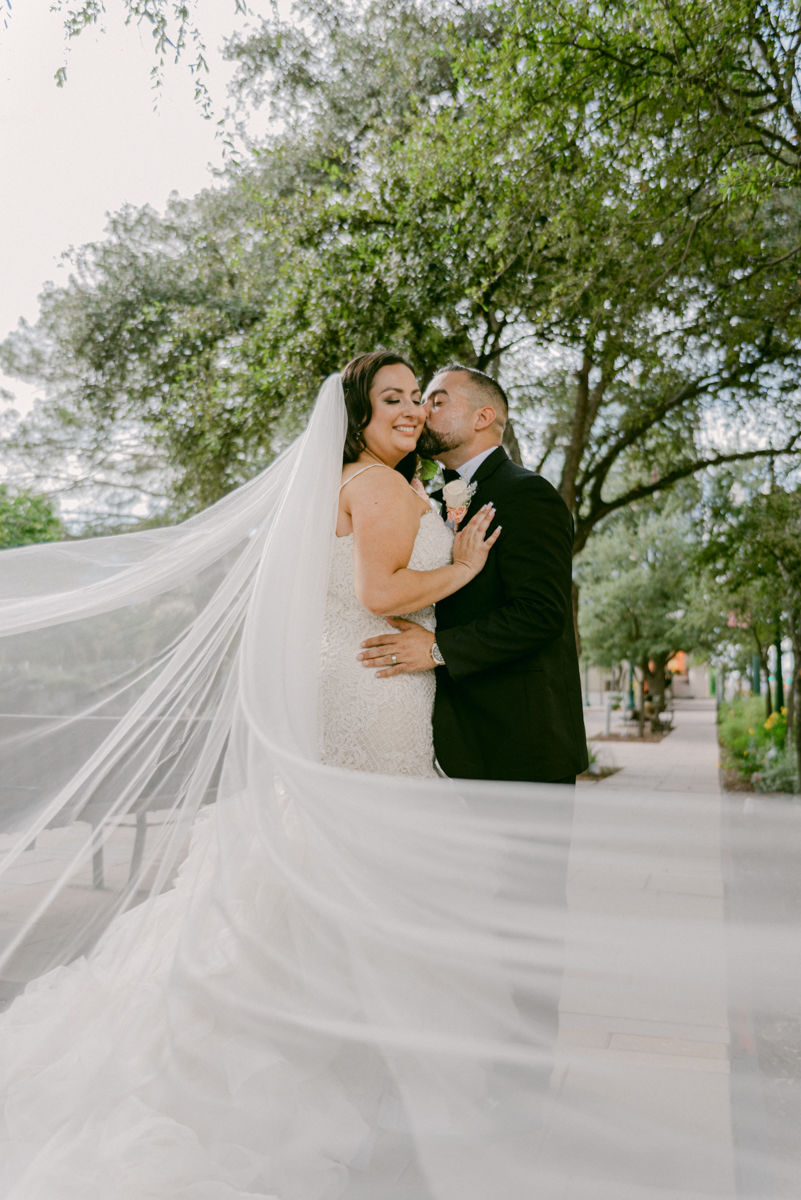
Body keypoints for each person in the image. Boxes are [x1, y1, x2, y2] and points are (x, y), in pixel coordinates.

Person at [358, 364, 588, 784]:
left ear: (483, 418)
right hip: (449, 738)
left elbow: (540, 613)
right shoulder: (428, 500)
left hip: (519, 742)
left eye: (436, 400)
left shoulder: (528, 495)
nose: (422, 411)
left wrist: (436, 650)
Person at [320, 351, 499, 775]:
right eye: (392, 399)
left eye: (416, 398)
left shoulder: (347, 477)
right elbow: (379, 592)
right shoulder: (379, 482)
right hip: (383, 680)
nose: (413, 411)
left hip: (349, 671)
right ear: (359, 412)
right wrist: (463, 568)